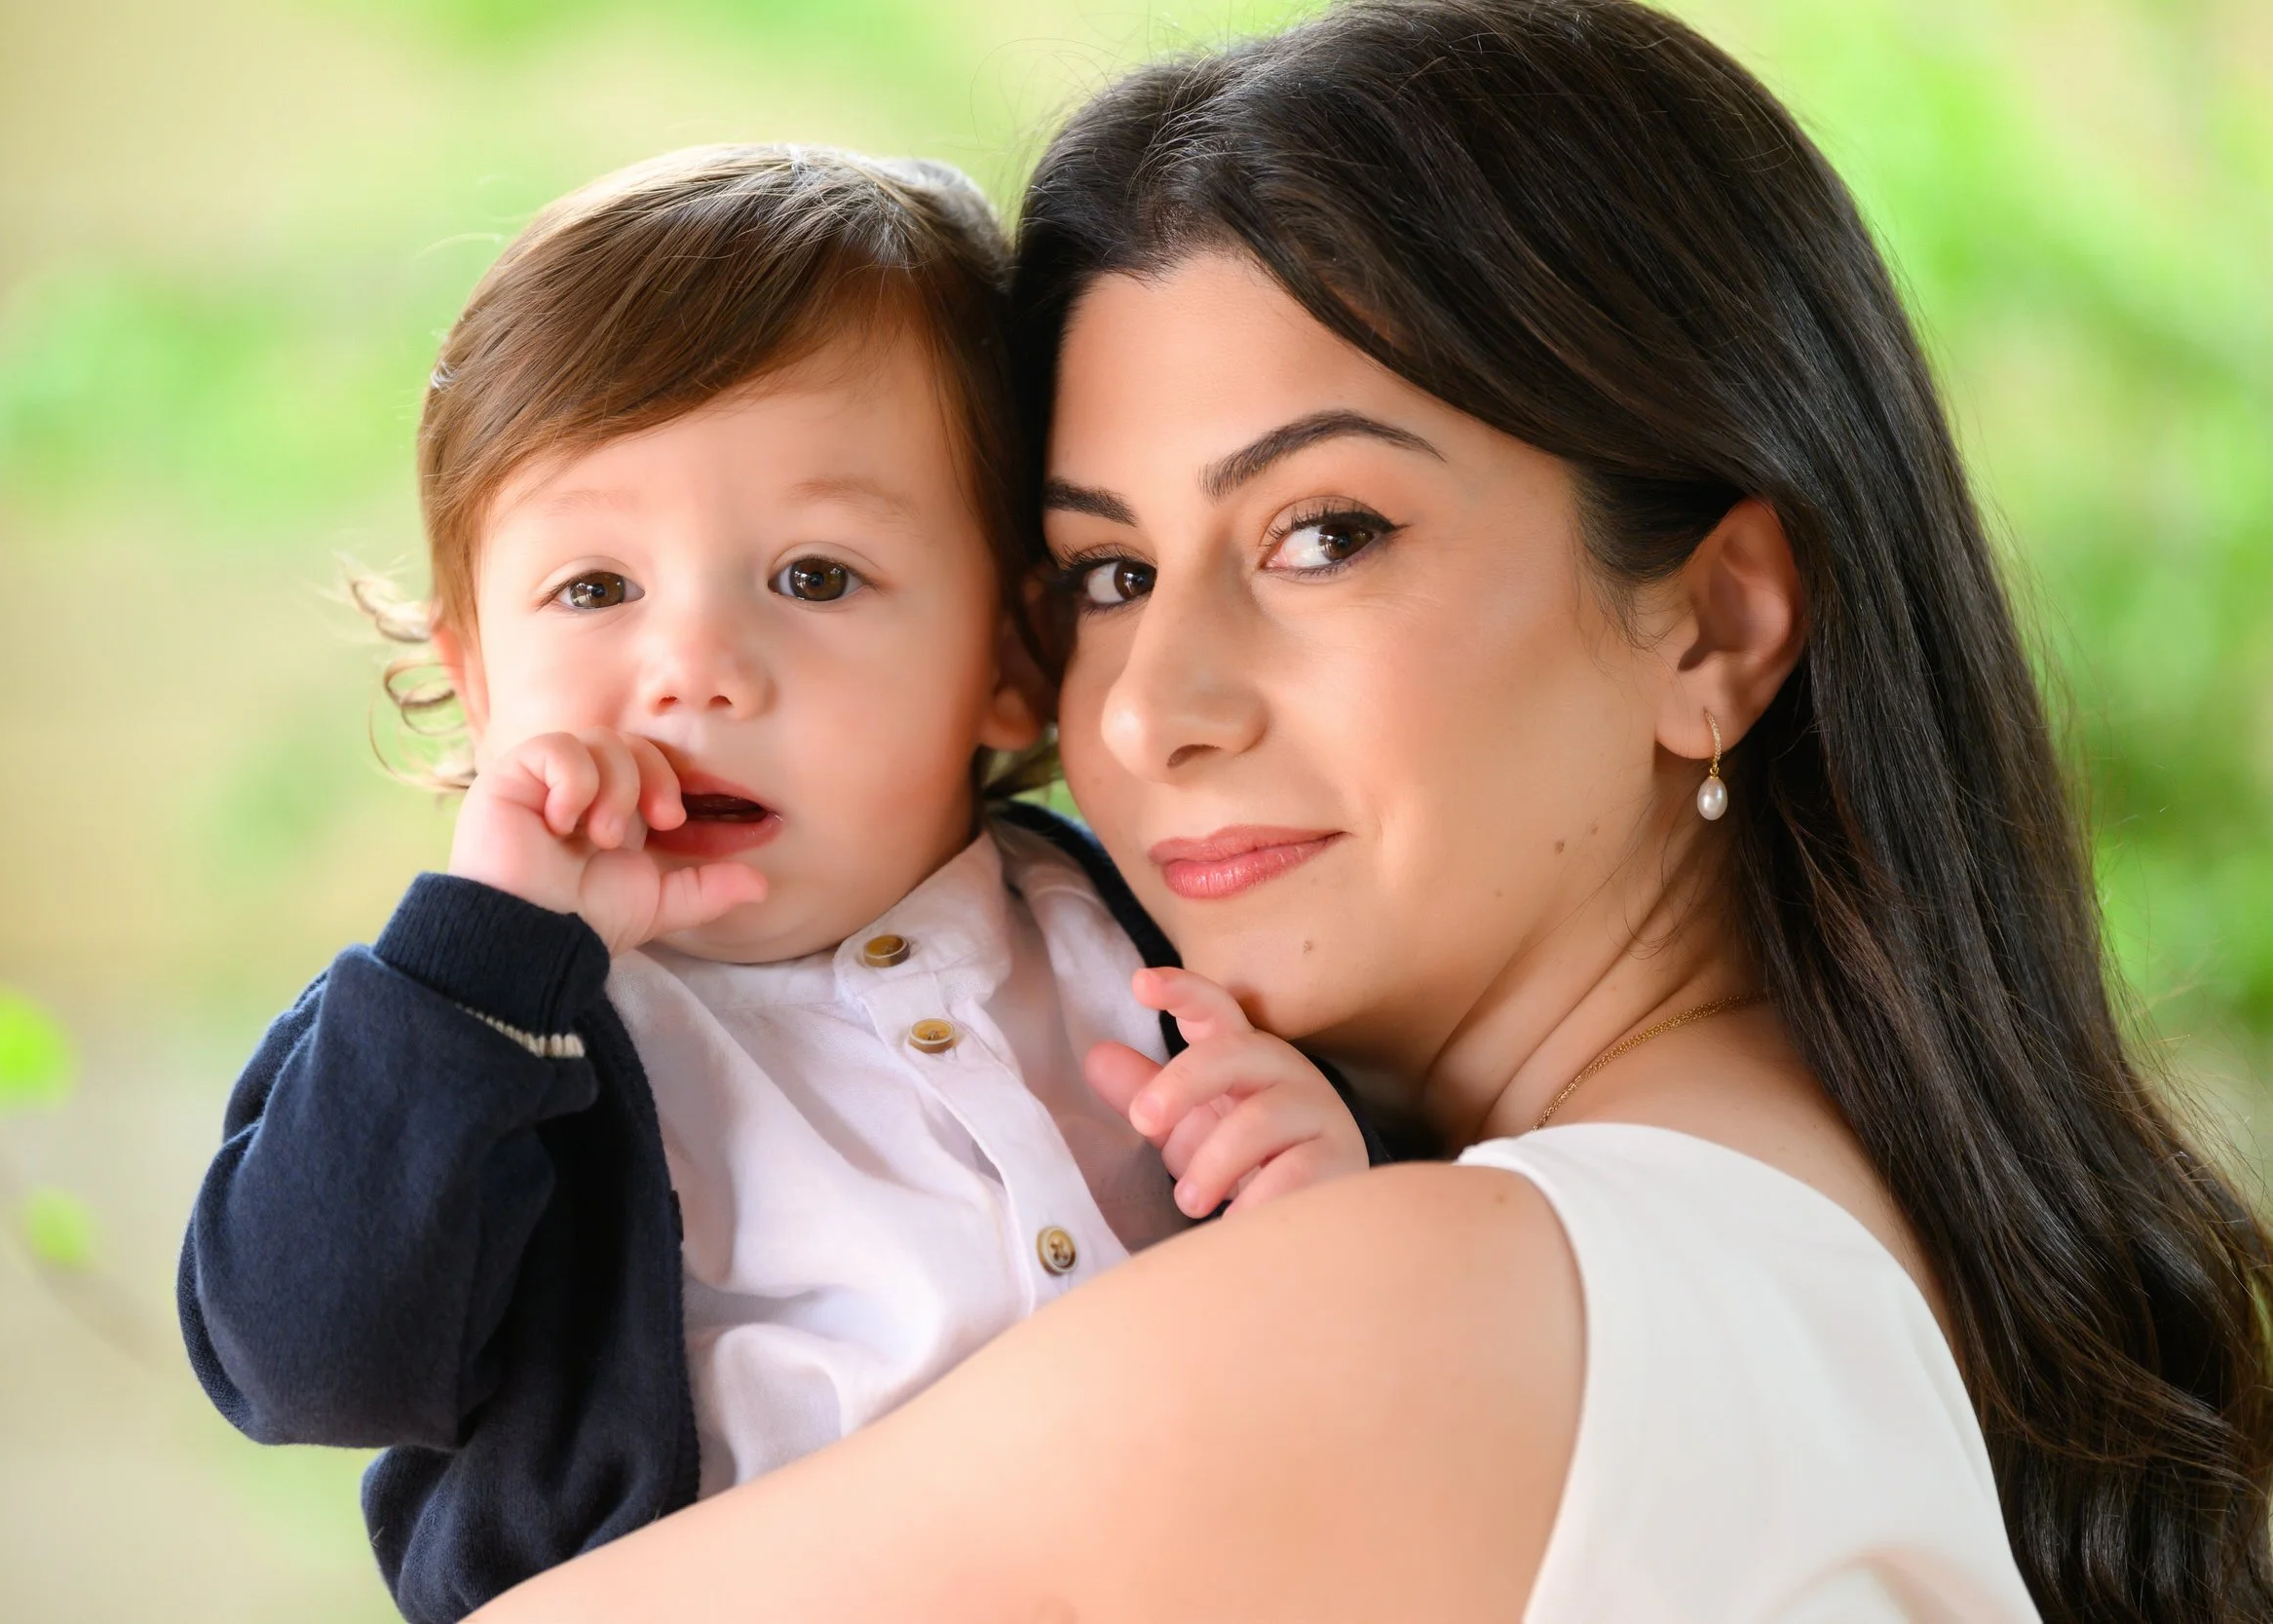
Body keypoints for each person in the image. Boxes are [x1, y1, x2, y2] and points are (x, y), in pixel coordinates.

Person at [466, 4, 2273, 1622]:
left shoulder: (1430, 1314)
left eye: (1324, 534)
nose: (1156, 708)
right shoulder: (1866, 1276)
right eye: (1105, 573)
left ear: (1714, 623)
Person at [173, 145, 1377, 1624]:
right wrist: (482, 962)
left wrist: (1322, 1196)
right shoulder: (488, 1031)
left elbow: (1347, 1385)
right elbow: (306, 1360)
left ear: (1011, 658)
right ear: (476, 676)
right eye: (595, 588)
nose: (699, 670)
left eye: (815, 576)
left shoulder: (1141, 934)